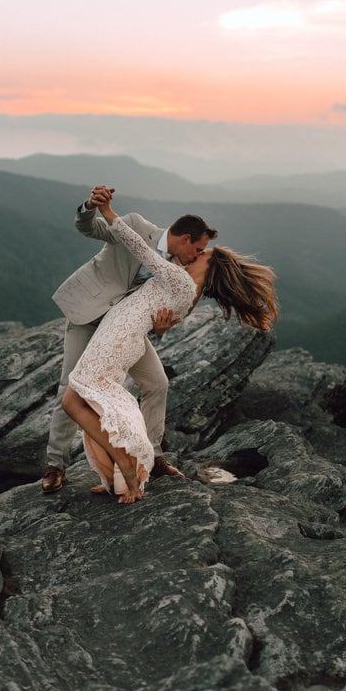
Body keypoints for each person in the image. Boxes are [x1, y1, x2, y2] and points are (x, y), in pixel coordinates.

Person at [62, 195, 278, 504]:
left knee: (75, 400)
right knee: (90, 400)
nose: (197, 254)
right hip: (123, 333)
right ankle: (115, 478)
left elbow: (138, 247)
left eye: (204, 253)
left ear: (208, 264)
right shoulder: (187, 289)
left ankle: (127, 465)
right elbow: (159, 312)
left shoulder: (180, 280)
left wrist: (108, 211)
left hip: (118, 336)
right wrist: (160, 326)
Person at [41, 185, 218, 493]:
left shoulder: (178, 269)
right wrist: (90, 205)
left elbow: (162, 313)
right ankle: (56, 465)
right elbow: (88, 228)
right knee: (69, 387)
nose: (197, 256)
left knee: (157, 383)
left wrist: (162, 329)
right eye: (197, 249)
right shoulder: (135, 225)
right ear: (186, 238)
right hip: (89, 314)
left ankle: (153, 457)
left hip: (123, 331)